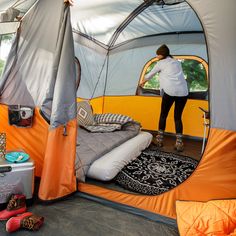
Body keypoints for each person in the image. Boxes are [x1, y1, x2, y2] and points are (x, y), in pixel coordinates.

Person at [140, 44, 188, 151]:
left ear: (162, 55)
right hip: (183, 92)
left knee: (163, 115)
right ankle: (179, 143)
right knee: (177, 117)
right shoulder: (176, 62)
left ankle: (159, 140)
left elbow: (150, 74)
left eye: (158, 55)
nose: (157, 57)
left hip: (170, 91)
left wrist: (142, 82)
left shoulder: (161, 63)